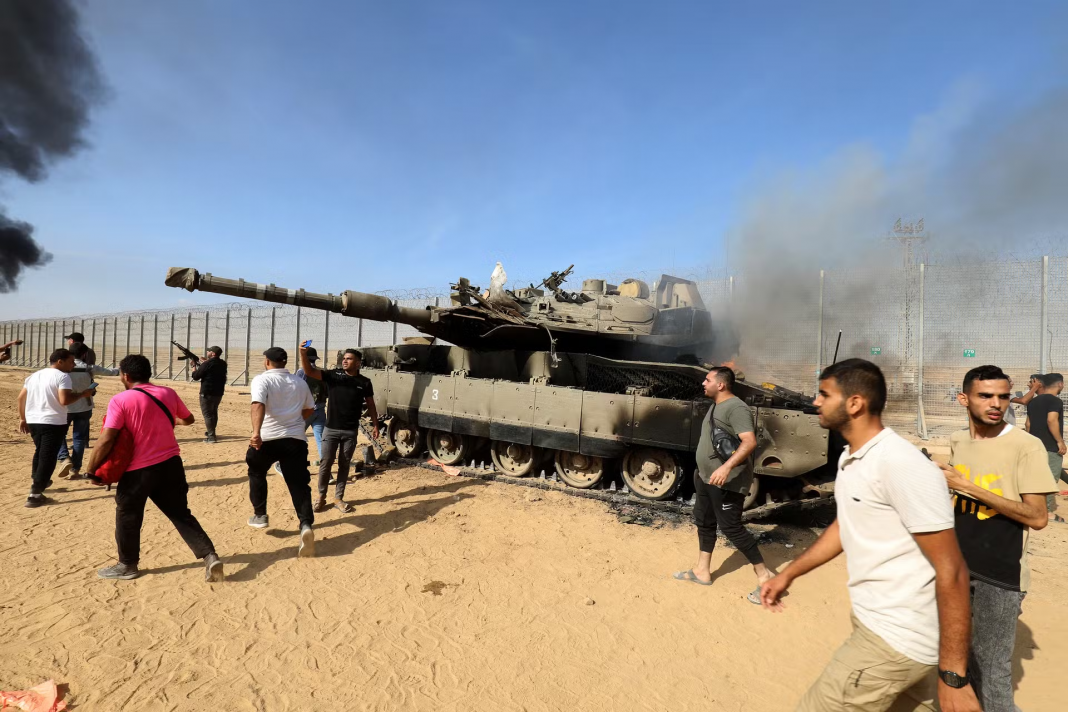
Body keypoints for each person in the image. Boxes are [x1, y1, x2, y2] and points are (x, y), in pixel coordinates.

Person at [761, 359, 980, 712]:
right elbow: (846, 527)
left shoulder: (901, 465)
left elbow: (952, 570)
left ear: (855, 403)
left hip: (891, 643)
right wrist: (788, 573)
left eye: (824, 394)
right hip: (891, 638)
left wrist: (954, 675)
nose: (815, 401)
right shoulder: (855, 457)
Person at [941, 365, 1056, 710]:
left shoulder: (1027, 446)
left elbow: (1037, 517)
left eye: (1003, 396)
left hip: (1000, 575)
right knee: (963, 664)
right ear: (964, 399)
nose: (997, 403)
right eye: (985, 395)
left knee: (992, 675)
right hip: (958, 567)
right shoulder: (958, 441)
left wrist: (966, 486)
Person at [85, 355, 223, 582]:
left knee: (128, 515)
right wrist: (168, 420)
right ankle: (210, 556)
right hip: (171, 465)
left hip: (138, 471)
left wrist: (92, 469)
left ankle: (128, 565)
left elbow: (107, 439)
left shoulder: (120, 400)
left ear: (125, 376)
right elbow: (188, 419)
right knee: (180, 513)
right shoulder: (167, 393)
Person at [673, 366, 774, 602]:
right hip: (707, 477)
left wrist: (726, 467)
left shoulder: (737, 408)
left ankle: (765, 577)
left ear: (721, 384)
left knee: (731, 528)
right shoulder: (716, 405)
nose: (703, 383)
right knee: (705, 521)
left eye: (707, 380)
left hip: (727, 480)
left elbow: (748, 443)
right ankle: (702, 571)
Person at [246, 347, 317, 557]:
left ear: (267, 361)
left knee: (256, 470)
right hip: (295, 439)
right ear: (284, 362)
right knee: (298, 483)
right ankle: (305, 525)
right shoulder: (299, 381)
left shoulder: (262, 380)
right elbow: (310, 409)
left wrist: (256, 433)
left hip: (267, 438)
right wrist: (294, 422)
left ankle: (260, 515)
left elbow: (258, 405)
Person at [299, 345, 379, 514]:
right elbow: (309, 372)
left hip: (350, 432)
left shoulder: (364, 382)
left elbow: (371, 404)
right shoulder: (334, 376)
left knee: (344, 465)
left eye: (349, 358)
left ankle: (338, 498)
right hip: (331, 429)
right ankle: (321, 497)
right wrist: (302, 353)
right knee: (326, 463)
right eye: (344, 358)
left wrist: (375, 424)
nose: (344, 360)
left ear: (357, 363)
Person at [17, 349, 97, 508]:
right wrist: (83, 394)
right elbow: (64, 400)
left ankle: (40, 481)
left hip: (34, 420)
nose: (73, 364)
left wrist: (23, 418)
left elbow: (21, 398)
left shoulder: (35, 375)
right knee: (48, 456)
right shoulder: (62, 376)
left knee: (40, 452)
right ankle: (35, 494)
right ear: (60, 361)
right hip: (52, 421)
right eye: (70, 361)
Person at [56, 342, 119, 480]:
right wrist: (120, 368)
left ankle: (64, 458)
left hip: (65, 407)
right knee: (79, 438)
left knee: (59, 434)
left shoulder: (63, 368)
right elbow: (111, 372)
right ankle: (75, 468)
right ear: (84, 354)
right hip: (85, 406)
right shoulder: (89, 368)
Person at [1025, 372, 1066, 523]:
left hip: (1035, 446)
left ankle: (1032, 506)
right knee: (1049, 480)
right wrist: (1060, 441)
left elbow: (1027, 424)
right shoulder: (1055, 401)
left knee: (1036, 478)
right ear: (1060, 384)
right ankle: (1047, 512)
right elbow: (1051, 420)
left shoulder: (1033, 402)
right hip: (1050, 447)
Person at [295, 346, 328, 466]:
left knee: (295, 438)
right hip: (320, 410)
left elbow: (296, 390)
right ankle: (326, 471)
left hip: (305, 411)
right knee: (321, 440)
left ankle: (293, 465)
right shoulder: (322, 372)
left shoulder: (301, 372)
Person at [191, 345, 227, 443]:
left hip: (207, 392)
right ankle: (211, 432)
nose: (207, 352)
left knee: (207, 414)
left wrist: (194, 366)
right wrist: (205, 362)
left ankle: (211, 437)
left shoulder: (207, 364)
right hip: (218, 392)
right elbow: (212, 368)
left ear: (213, 353)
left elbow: (196, 376)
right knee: (213, 412)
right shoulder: (223, 363)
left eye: (209, 351)